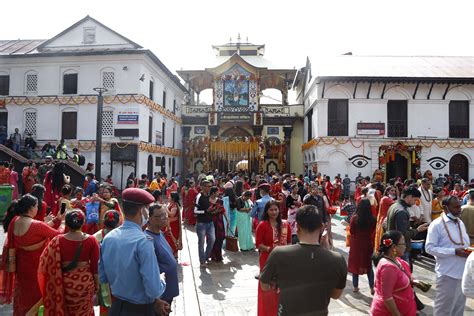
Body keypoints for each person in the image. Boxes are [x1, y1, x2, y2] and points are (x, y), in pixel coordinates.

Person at [260, 205, 347, 315]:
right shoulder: (337, 260)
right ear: (322, 227)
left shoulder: (278, 254)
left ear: (297, 226)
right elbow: (335, 295)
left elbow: (264, 286)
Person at [99, 188, 169, 315]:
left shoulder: (108, 238)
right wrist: (161, 280)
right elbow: (154, 290)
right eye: (147, 209)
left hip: (116, 307)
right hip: (139, 310)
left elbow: (103, 277)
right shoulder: (143, 242)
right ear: (142, 210)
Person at [0, 194, 64, 315]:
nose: (37, 209)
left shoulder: (15, 221)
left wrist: (55, 220)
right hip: (36, 267)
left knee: (22, 294)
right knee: (35, 295)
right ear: (30, 208)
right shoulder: (36, 225)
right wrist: (63, 223)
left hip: (21, 266)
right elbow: (57, 235)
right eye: (36, 206)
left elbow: (41, 230)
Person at [38, 210, 100, 315]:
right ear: (83, 222)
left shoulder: (57, 240)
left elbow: (44, 261)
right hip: (84, 283)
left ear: (66, 223)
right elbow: (95, 266)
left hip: (62, 283)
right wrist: (97, 284)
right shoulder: (91, 240)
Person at [425, 195, 470, 316]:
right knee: (443, 311)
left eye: (459, 206)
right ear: (445, 208)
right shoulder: (436, 225)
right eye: (455, 207)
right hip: (447, 274)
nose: (459, 209)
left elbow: (464, 243)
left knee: (458, 310)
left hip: (462, 273)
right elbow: (429, 248)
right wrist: (454, 252)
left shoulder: (459, 222)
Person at [256, 201, 291, 316]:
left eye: (276, 209)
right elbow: (258, 244)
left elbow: (289, 242)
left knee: (281, 287)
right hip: (267, 260)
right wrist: (270, 249)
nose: (274, 212)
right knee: (267, 287)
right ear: (266, 211)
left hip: (283, 261)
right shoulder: (262, 225)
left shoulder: (286, 225)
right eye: (271, 210)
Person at [370, 231, 417, 315]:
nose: (405, 246)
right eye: (403, 244)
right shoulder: (388, 268)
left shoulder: (397, 260)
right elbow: (387, 297)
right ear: (394, 247)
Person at [146, 204, 180, 309]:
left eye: (165, 215)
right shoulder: (148, 239)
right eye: (160, 216)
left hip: (168, 290)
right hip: (160, 295)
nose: (164, 218)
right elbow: (149, 270)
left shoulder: (160, 233)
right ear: (150, 218)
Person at [386, 186, 428, 262]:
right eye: (415, 200)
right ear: (409, 197)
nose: (415, 203)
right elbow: (402, 235)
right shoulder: (402, 211)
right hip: (400, 249)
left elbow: (385, 224)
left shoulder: (394, 206)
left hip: (393, 247)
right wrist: (417, 230)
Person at [348, 199, 376, 294]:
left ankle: (355, 287)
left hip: (356, 244)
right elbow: (372, 231)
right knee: (368, 265)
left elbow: (352, 231)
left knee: (355, 265)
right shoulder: (373, 219)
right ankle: (372, 287)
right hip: (367, 243)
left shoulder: (355, 218)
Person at [194, 180, 215, 266]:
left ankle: (206, 256)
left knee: (212, 240)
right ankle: (202, 261)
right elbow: (195, 211)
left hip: (210, 222)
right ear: (202, 187)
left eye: (210, 186)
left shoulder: (209, 196)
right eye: (206, 186)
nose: (208, 188)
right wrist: (205, 211)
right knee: (201, 242)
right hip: (201, 223)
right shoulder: (199, 196)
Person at [209, 186, 230, 263]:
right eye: (217, 192)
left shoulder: (220, 201)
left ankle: (218, 255)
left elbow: (223, 210)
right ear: (213, 193)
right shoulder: (207, 200)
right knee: (211, 239)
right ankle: (211, 254)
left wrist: (227, 219)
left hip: (219, 222)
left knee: (219, 239)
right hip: (210, 222)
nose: (219, 193)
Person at [374, 186, 396, 252]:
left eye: (394, 191)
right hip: (384, 221)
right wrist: (398, 194)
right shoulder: (386, 199)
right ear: (387, 191)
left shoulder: (386, 198)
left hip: (384, 220)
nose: (393, 192)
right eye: (392, 191)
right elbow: (397, 204)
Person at [163, 191, 182, 259]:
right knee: (169, 239)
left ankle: (174, 254)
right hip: (170, 224)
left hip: (173, 226)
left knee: (172, 239)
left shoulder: (174, 205)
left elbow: (171, 214)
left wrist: (166, 208)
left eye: (170, 196)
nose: (168, 197)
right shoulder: (171, 204)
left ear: (173, 198)